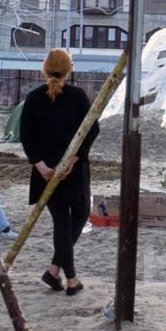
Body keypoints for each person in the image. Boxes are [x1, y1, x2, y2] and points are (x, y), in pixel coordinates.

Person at [20, 48, 99, 296]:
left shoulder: (33, 97)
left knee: (62, 222)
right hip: (72, 172)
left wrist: (40, 165)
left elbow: (26, 136)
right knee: (79, 214)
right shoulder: (77, 96)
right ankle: (72, 278)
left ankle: (54, 271)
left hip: (45, 173)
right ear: (69, 69)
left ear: (44, 68)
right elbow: (92, 130)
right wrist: (74, 159)